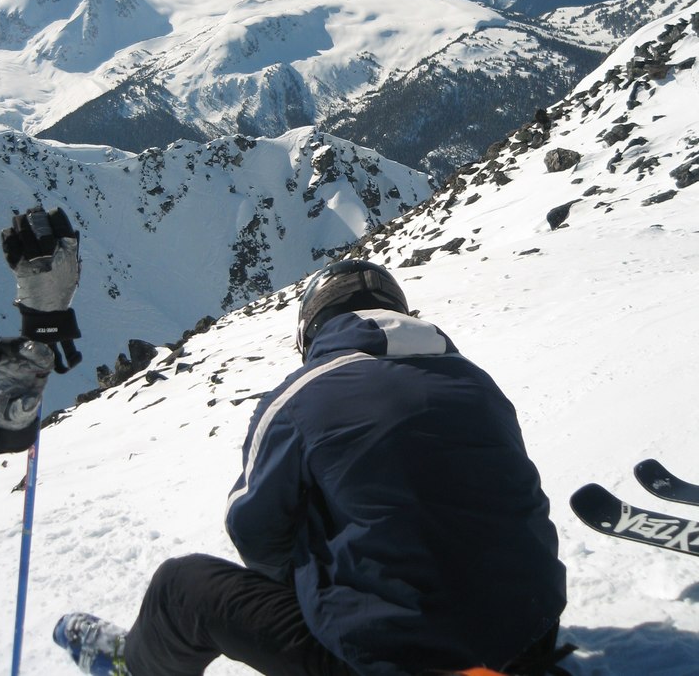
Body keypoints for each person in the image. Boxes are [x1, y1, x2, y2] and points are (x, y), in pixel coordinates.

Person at [53, 257, 568, 676]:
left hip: (391, 660)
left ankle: (131, 666)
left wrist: (308, 575)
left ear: (311, 331)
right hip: (532, 638)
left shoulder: (303, 394)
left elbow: (252, 529)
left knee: (180, 588)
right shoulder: (477, 383)